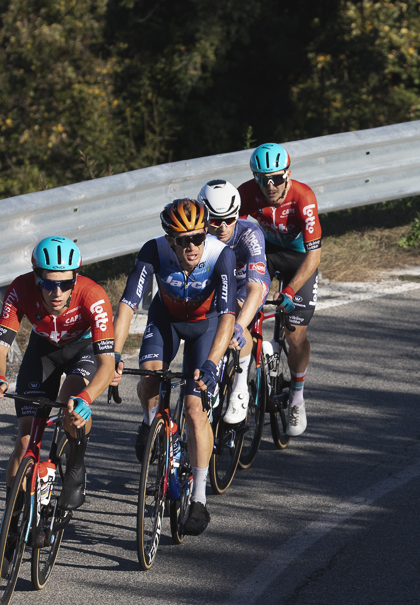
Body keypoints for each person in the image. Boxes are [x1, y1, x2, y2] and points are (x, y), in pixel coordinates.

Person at [0, 235, 118, 570]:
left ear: (75, 279)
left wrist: (86, 398)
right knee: (25, 440)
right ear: (36, 277)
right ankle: (9, 537)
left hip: (83, 352)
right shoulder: (20, 289)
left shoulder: (93, 296)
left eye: (65, 284)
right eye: (48, 284)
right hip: (42, 352)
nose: (57, 293)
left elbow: (107, 364)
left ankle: (76, 466)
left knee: (71, 404)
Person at [109, 198, 236, 535]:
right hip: (166, 318)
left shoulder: (220, 254)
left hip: (206, 325)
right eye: (183, 240)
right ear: (170, 240)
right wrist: (114, 355)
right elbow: (127, 305)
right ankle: (151, 422)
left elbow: (227, 316)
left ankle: (199, 497)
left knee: (194, 408)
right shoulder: (153, 250)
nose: (192, 246)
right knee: (151, 377)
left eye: (198, 237)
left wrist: (211, 364)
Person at [236, 142, 320, 436]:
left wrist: (291, 290)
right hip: (266, 254)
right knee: (243, 311)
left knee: (295, 336)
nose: (270, 185)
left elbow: (314, 255)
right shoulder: (246, 193)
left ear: (288, 175)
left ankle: (297, 396)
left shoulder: (303, 197)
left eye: (276, 178)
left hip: (300, 259)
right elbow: (233, 237)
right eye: (262, 179)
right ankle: (240, 380)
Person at [197, 179, 268, 425]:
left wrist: (238, 327)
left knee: (233, 321)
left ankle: (240, 388)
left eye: (230, 219)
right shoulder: (197, 235)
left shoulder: (250, 234)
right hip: (218, 283)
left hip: (246, 283)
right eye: (216, 221)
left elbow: (254, 289)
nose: (224, 227)